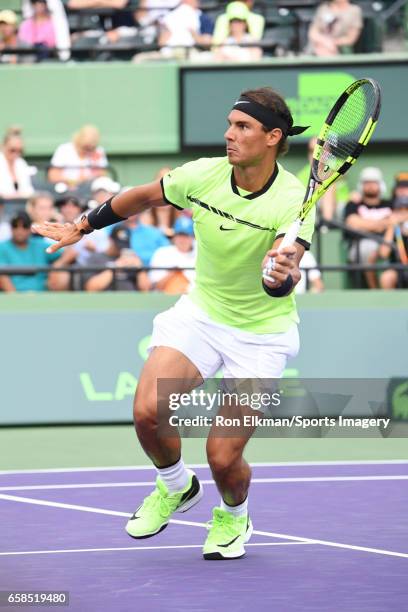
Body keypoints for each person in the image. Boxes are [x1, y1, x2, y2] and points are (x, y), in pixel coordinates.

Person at [33, 86, 314, 561]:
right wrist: (82, 225)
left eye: (242, 127)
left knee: (223, 458)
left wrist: (281, 275)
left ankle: (233, 514)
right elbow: (140, 197)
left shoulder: (295, 201)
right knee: (147, 411)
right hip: (201, 314)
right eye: (229, 123)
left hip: (262, 335)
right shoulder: (204, 174)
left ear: (272, 136)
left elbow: (281, 283)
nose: (229, 134)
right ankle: (175, 485)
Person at [344, 167, 392, 288]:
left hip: (387, 245)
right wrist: (382, 224)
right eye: (367, 183)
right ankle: (374, 289)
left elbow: (398, 219)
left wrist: (365, 225)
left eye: (374, 182)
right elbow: (352, 223)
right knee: (367, 247)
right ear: (361, 185)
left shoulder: (389, 204)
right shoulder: (353, 204)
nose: (370, 186)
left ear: (380, 185)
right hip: (359, 245)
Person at [0, 211, 61, 292]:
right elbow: (2, 276)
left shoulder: (40, 245)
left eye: (24, 226)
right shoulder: (2, 247)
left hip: (43, 296)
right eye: (15, 226)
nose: (19, 230)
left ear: (30, 229)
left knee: (62, 275)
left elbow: (69, 253)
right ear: (11, 228)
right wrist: (16, 299)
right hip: (14, 299)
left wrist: (57, 266)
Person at [149, 216, 196, 293]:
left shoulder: (201, 254)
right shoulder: (162, 253)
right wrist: (172, 273)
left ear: (192, 237)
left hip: (194, 298)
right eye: (180, 235)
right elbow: (155, 286)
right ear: (174, 237)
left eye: (186, 236)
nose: (182, 239)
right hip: (166, 298)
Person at [379, 173, 408, 290]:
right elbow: (383, 253)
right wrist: (392, 226)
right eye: (400, 208)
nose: (403, 211)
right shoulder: (390, 219)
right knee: (386, 277)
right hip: (398, 266)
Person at [0, 127, 34, 199]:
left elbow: (28, 190)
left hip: (20, 204)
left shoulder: (21, 163)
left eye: (20, 151)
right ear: (3, 147)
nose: (16, 154)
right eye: (12, 150)